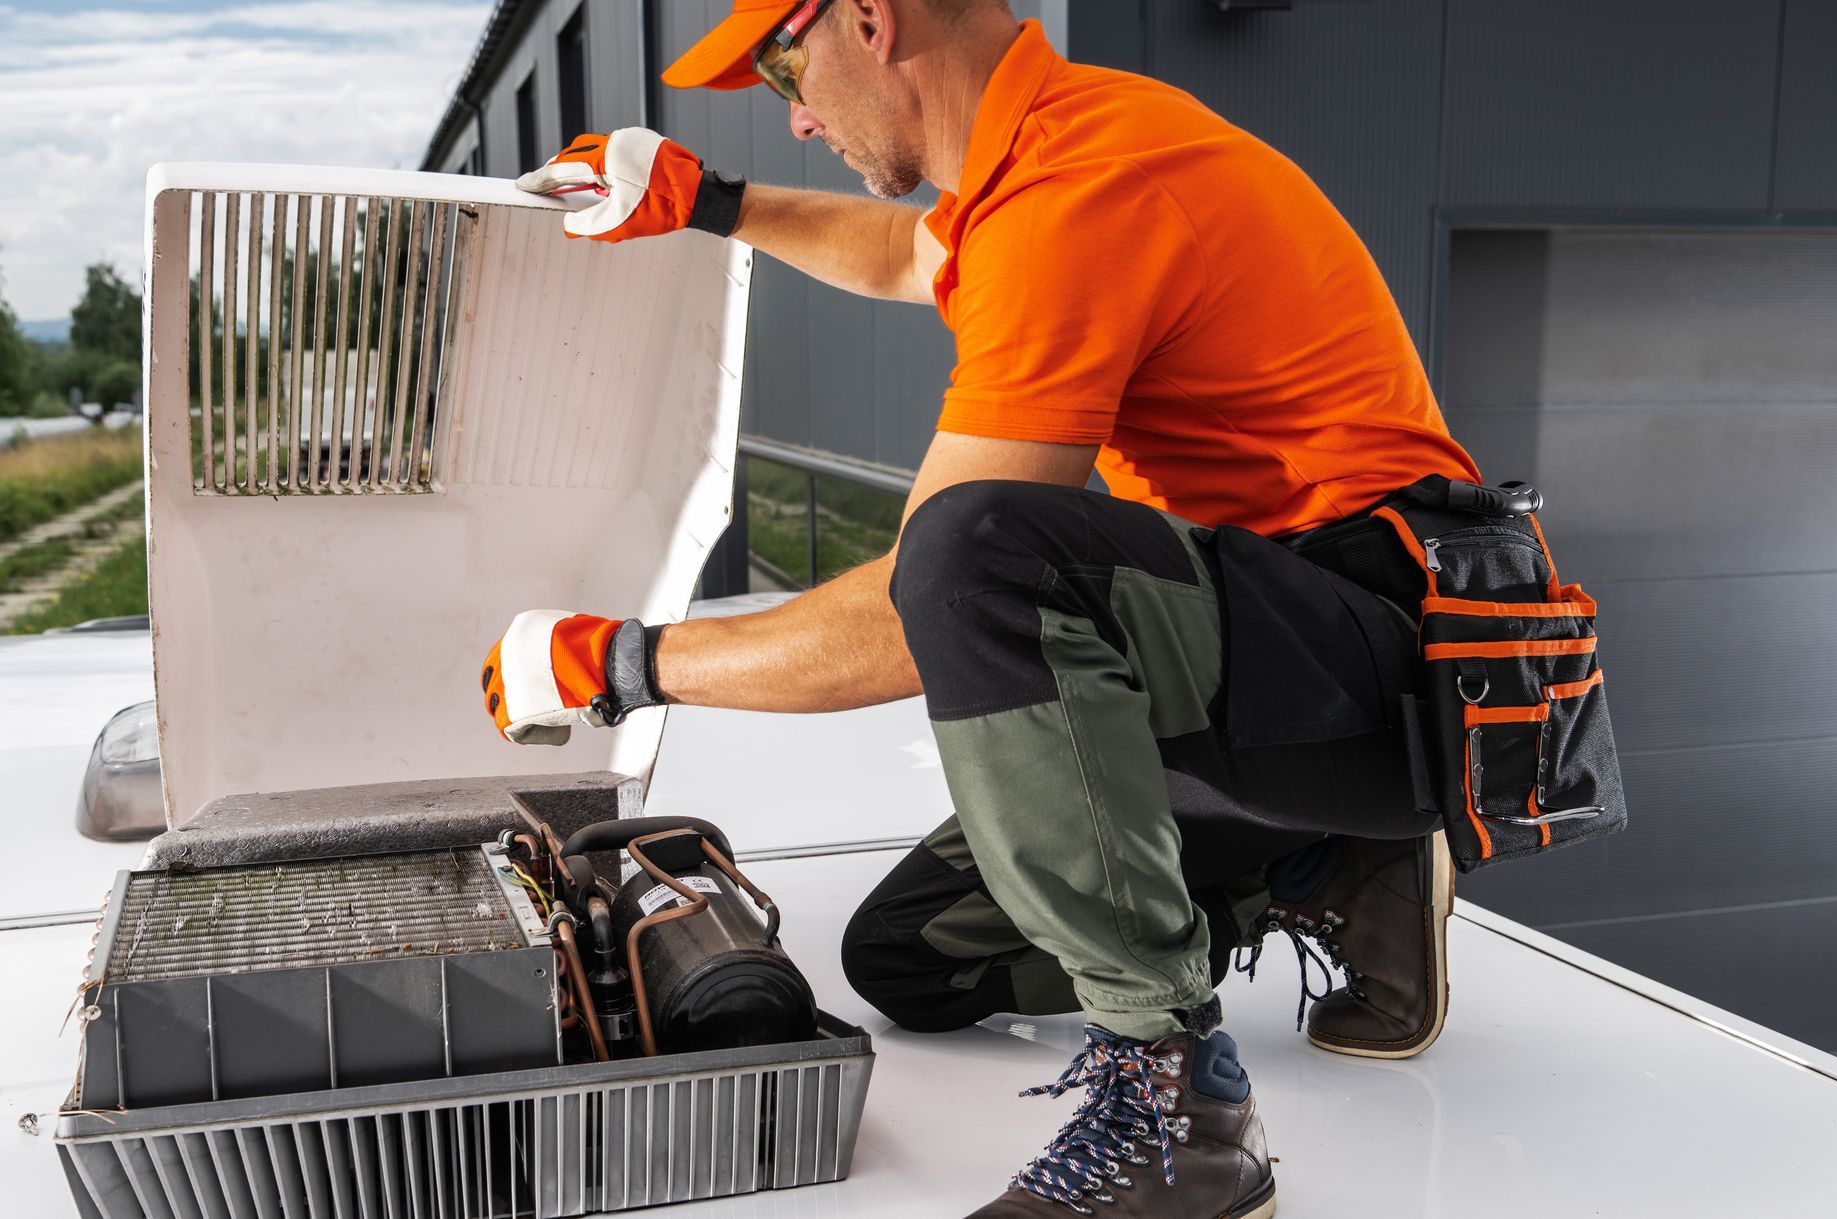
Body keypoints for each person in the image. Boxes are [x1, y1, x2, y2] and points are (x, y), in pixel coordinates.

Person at [480, 2, 1482, 1214]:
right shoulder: (1041, 158)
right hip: (1270, 666)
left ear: (869, 19)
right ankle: (1328, 856)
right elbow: (904, 255)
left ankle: (1181, 1111)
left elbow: (919, 611)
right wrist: (711, 202)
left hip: (1374, 664)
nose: (795, 114)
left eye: (784, 64)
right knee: (909, 958)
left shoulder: (1080, 191)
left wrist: (620, 663)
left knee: (974, 550)